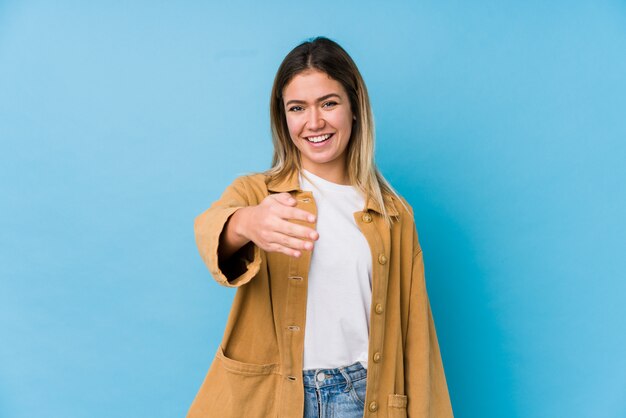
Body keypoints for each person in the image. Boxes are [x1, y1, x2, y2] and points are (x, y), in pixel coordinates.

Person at [187, 37, 454, 418]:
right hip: (273, 398)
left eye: (328, 103)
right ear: (284, 118)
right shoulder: (258, 193)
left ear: (355, 108)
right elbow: (210, 228)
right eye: (298, 108)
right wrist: (247, 222)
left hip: (361, 398)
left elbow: (417, 338)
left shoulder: (393, 214)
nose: (314, 122)